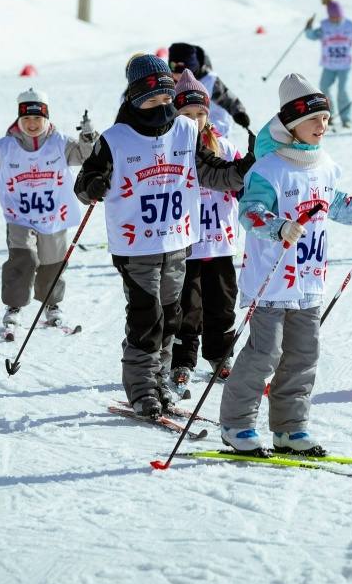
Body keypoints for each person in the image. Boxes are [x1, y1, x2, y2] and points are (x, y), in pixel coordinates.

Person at [218, 73, 352, 457]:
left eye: (326, 118)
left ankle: (290, 427)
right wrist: (278, 226)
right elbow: (250, 212)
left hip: (309, 277)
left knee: (303, 354)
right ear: (292, 123)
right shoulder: (268, 169)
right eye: (314, 118)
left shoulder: (324, 165)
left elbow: (337, 203)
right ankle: (236, 424)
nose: (323, 125)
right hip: (271, 280)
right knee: (265, 353)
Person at [74, 53, 254, 419]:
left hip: (177, 240)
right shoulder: (115, 139)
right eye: (151, 99)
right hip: (135, 245)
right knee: (146, 317)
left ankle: (159, 383)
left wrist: (243, 168)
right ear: (134, 98)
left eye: (166, 98)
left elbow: (211, 171)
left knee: (171, 316)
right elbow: (84, 182)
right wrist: (93, 184)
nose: (160, 106)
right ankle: (142, 389)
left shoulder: (186, 130)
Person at [0, 89, 97, 340]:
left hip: (53, 215)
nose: (32, 124)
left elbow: (86, 156)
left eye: (38, 118)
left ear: (46, 118)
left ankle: (52, 304)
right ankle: (14, 306)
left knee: (53, 262)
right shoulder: (6, 147)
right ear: (19, 119)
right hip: (20, 215)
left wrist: (88, 137)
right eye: (26, 118)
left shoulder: (60, 142)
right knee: (23, 258)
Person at [167, 71, 247, 395]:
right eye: (186, 114)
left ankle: (220, 355)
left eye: (199, 114)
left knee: (222, 303)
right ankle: (182, 361)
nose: (194, 120)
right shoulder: (169, 149)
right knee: (186, 307)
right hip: (185, 244)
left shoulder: (224, 147)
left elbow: (244, 183)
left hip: (219, 241)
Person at [304, 0, 352, 128]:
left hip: (345, 65)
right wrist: (308, 27)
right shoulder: (324, 26)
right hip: (328, 64)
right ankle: (328, 115)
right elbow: (311, 36)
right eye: (333, 17)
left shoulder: (349, 25)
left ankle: (346, 118)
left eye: (339, 16)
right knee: (324, 89)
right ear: (329, 16)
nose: (336, 19)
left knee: (343, 90)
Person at [166, 42, 251, 138]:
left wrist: (239, 112)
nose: (176, 74)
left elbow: (227, 99)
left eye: (181, 69)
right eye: (172, 66)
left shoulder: (210, 81)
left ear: (192, 67)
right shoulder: (172, 83)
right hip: (189, 129)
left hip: (216, 128)